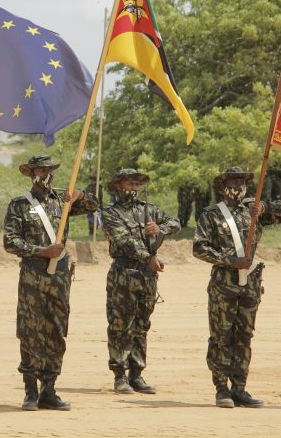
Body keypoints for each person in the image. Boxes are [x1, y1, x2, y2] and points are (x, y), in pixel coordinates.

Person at [3, 154, 98, 411]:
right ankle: (30, 392)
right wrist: (42, 251)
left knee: (56, 329)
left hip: (60, 276)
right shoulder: (20, 205)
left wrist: (79, 195)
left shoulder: (62, 201)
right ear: (31, 173)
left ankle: (49, 389)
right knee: (30, 331)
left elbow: (94, 205)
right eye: (40, 170)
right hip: (33, 274)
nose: (45, 173)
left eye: (48, 169)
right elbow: (10, 242)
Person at [193, 166, 281, 409]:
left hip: (250, 284)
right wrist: (229, 260)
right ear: (222, 187)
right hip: (223, 285)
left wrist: (265, 207)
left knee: (244, 337)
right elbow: (199, 248)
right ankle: (221, 389)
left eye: (242, 182)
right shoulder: (211, 215)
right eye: (233, 182)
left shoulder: (253, 210)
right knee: (221, 336)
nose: (238, 186)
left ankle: (239, 388)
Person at [101, 168, 181, 395]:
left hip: (147, 276)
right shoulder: (110, 213)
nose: (134, 188)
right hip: (123, 274)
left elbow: (175, 223)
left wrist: (160, 228)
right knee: (120, 325)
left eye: (137, 184)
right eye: (130, 184)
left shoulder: (149, 209)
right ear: (119, 186)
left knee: (141, 325)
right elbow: (124, 241)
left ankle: (136, 374)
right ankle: (119, 375)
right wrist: (149, 258)